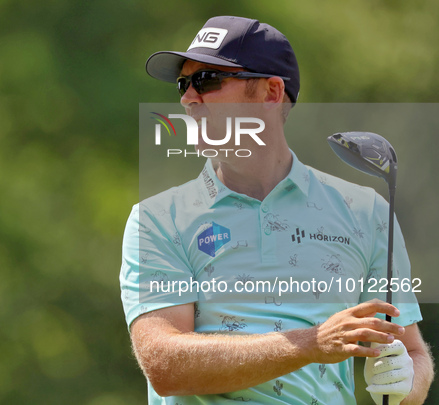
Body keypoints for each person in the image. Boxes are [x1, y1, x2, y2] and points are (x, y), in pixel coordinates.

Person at [120, 16, 434, 404]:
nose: (187, 98)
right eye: (184, 84)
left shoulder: (365, 212)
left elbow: (413, 352)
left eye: (207, 81)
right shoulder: (157, 218)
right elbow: (165, 365)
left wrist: (406, 381)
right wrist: (312, 343)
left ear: (270, 92)